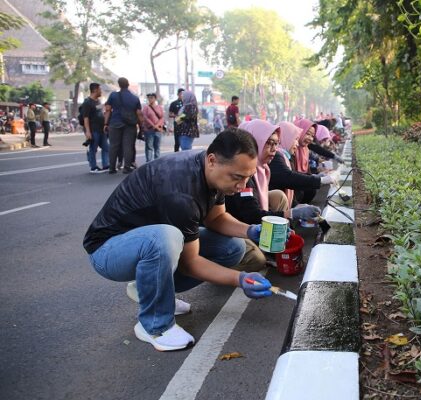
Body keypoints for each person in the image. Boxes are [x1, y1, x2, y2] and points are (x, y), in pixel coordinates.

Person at [83, 130, 274, 352]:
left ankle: (149, 289)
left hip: (144, 244)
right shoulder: (181, 191)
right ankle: (155, 325)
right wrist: (240, 279)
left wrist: (250, 231)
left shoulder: (212, 172)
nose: (242, 185)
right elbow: (190, 263)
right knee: (165, 237)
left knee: (232, 248)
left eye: (248, 177)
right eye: (237, 177)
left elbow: (217, 218)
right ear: (212, 160)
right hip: (108, 250)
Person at [225, 120, 321, 270]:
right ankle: (220, 265)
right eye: (268, 143)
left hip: (249, 218)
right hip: (234, 227)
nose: (274, 149)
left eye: (276, 144)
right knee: (257, 259)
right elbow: (252, 214)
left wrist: (293, 211)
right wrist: (291, 213)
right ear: (254, 143)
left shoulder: (263, 168)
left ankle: (275, 241)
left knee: (277, 196)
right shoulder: (243, 173)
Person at [268, 121, 336, 207]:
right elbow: (288, 177)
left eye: (312, 136)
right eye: (295, 138)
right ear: (285, 137)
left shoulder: (290, 154)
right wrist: (319, 179)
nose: (297, 143)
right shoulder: (277, 156)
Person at [104, 77, 145, 174]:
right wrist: (141, 126)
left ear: (119, 85)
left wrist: (106, 124)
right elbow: (139, 114)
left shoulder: (113, 96)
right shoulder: (134, 98)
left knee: (113, 146)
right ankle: (127, 167)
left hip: (115, 123)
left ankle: (112, 168)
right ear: (128, 85)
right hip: (130, 125)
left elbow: (108, 110)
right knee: (128, 146)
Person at [81, 83, 110, 173]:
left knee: (106, 148)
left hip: (101, 129)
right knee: (93, 148)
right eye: (100, 89)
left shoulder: (97, 101)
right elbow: (85, 118)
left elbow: (99, 111)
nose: (101, 91)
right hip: (93, 129)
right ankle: (93, 167)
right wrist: (88, 132)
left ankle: (106, 165)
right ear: (95, 90)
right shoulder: (87, 103)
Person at [142, 93, 164, 162]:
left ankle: (157, 162)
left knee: (157, 147)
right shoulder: (146, 107)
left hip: (158, 130)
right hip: (149, 129)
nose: (150, 99)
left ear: (155, 98)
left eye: (152, 97)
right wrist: (153, 125)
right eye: (149, 98)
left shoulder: (159, 107)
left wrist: (157, 126)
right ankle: (149, 162)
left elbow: (162, 117)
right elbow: (145, 117)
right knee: (149, 147)